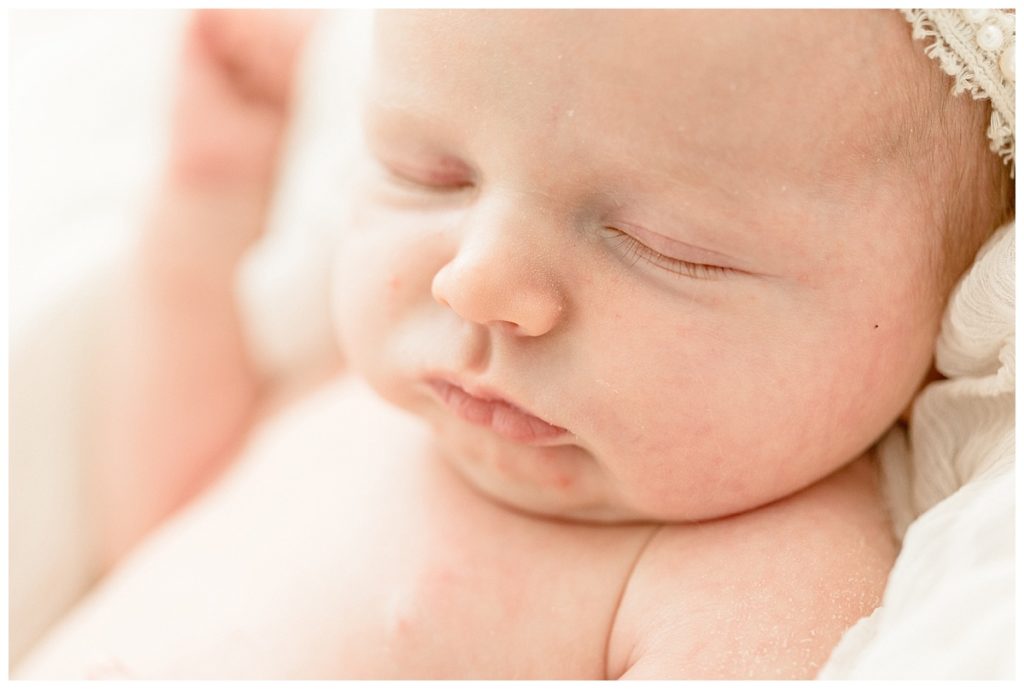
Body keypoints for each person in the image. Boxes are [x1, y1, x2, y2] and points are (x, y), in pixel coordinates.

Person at [13, 8, 1014, 679]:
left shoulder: (754, 568)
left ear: (946, 315)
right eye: (427, 173)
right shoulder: (381, 394)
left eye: (665, 248)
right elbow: (163, 526)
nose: (478, 282)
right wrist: (205, 210)